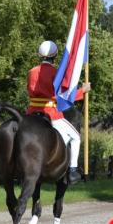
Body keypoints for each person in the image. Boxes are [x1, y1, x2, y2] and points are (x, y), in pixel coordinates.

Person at [27, 40, 91, 183]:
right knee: (75, 138)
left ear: (39, 55)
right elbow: (64, 96)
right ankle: (73, 170)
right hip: (51, 113)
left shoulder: (31, 72)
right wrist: (82, 91)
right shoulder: (56, 73)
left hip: (31, 113)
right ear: (55, 56)